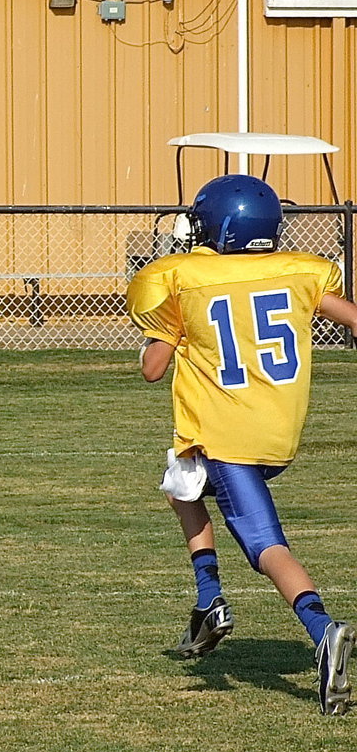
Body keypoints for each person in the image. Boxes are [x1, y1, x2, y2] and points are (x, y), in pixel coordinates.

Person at [126, 173, 357, 715]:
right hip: (277, 432)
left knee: (266, 546)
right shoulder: (298, 274)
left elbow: (153, 370)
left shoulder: (185, 280)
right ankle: (209, 601)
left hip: (226, 434)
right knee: (181, 484)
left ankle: (322, 629)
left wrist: (166, 335)